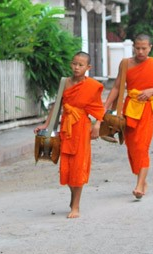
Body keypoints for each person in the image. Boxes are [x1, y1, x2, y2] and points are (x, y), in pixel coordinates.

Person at [33, 51, 104, 218]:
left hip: (82, 128)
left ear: (88, 67)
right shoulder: (64, 82)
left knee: (78, 167)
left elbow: (98, 108)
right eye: (74, 64)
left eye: (80, 65)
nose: (76, 67)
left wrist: (97, 125)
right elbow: (57, 105)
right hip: (66, 129)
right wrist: (46, 125)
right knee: (66, 168)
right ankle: (74, 198)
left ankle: (76, 206)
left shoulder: (93, 86)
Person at [103, 34, 153, 200]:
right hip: (129, 110)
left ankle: (139, 185)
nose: (140, 51)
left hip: (146, 110)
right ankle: (142, 180)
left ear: (150, 48)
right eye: (137, 48)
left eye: (144, 48)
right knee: (132, 147)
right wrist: (105, 107)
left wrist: (152, 90)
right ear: (133, 47)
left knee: (142, 147)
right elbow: (117, 87)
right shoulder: (126, 63)